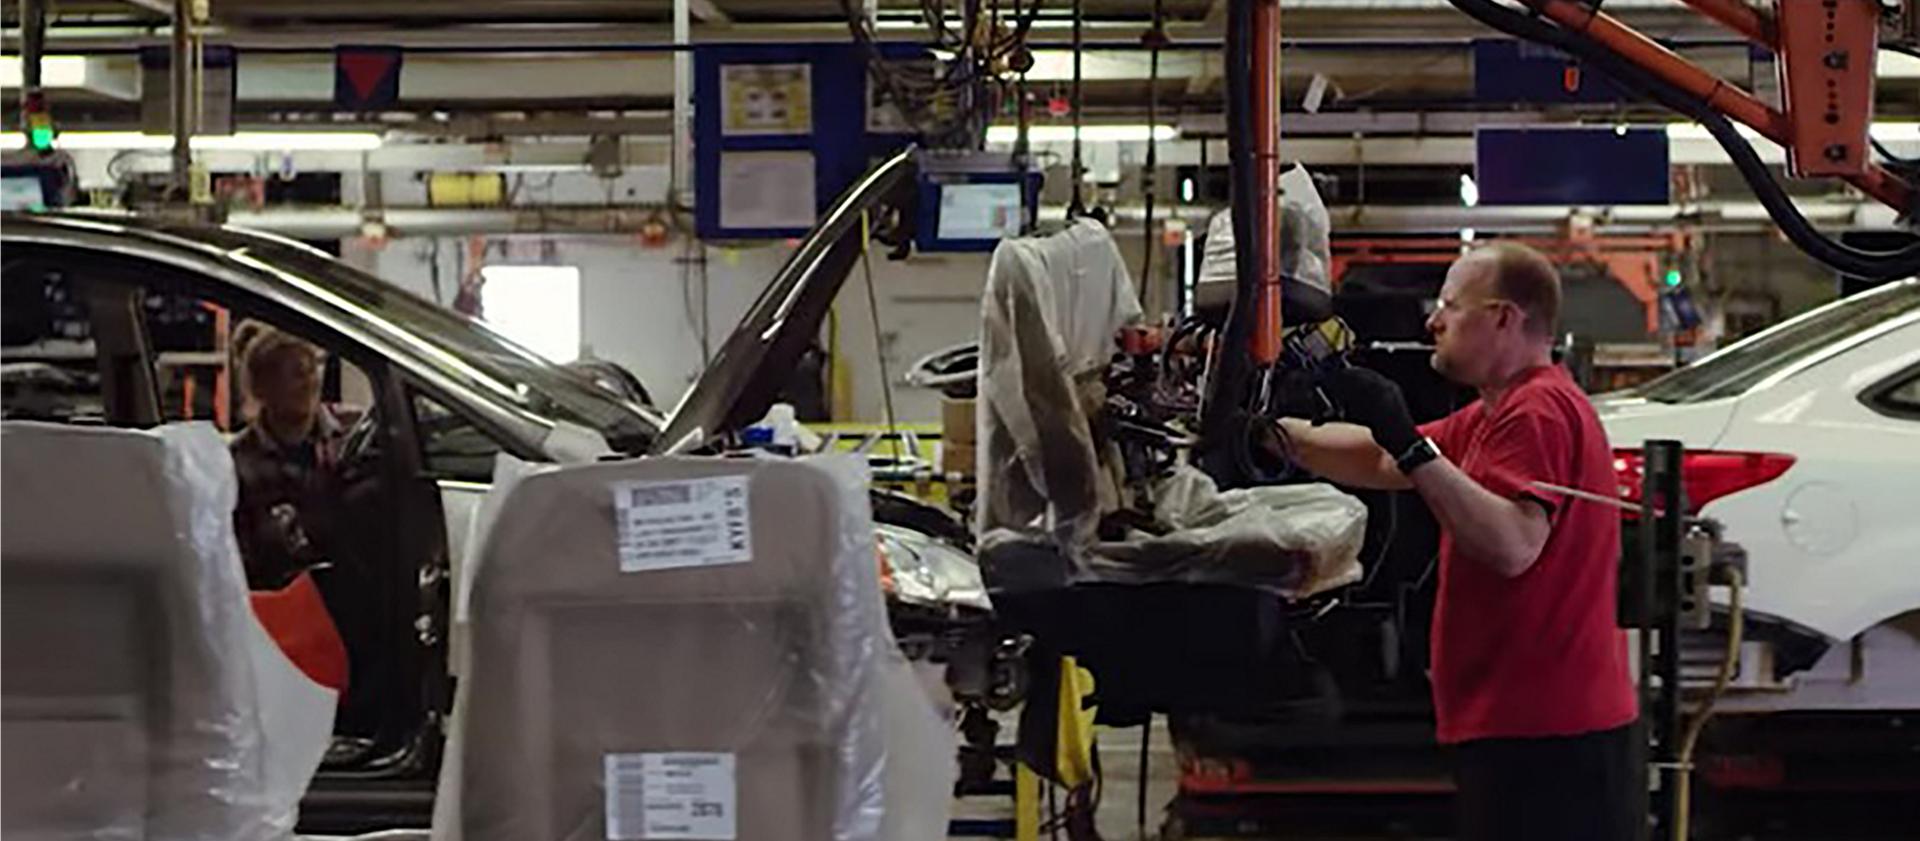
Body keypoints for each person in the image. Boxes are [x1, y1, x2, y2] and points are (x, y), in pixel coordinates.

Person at [1273, 242, 1637, 841]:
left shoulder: (1538, 411)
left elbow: (1513, 545)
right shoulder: (1497, 412)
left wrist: (1409, 443)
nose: (1432, 321)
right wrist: (1277, 435)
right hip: (1523, 725)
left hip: (1550, 736)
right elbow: (1384, 458)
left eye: (1450, 305)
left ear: (1502, 318)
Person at [228, 322, 362, 590]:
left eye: (312, 370)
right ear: (262, 388)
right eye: (296, 374)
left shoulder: (353, 434)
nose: (310, 382)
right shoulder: (237, 462)